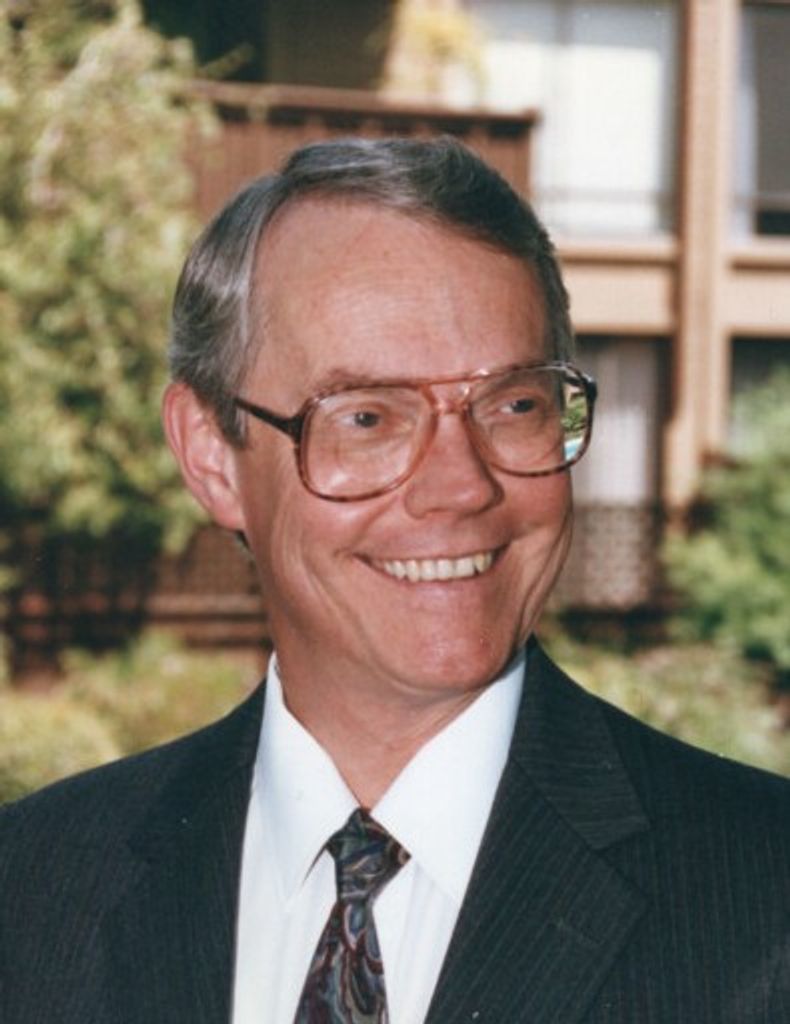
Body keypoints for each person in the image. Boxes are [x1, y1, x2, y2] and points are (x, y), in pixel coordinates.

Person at [1, 137, 789, 1024]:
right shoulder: (31, 894)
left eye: (515, 405)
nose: (461, 486)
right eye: (368, 417)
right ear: (213, 458)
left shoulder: (766, 903)